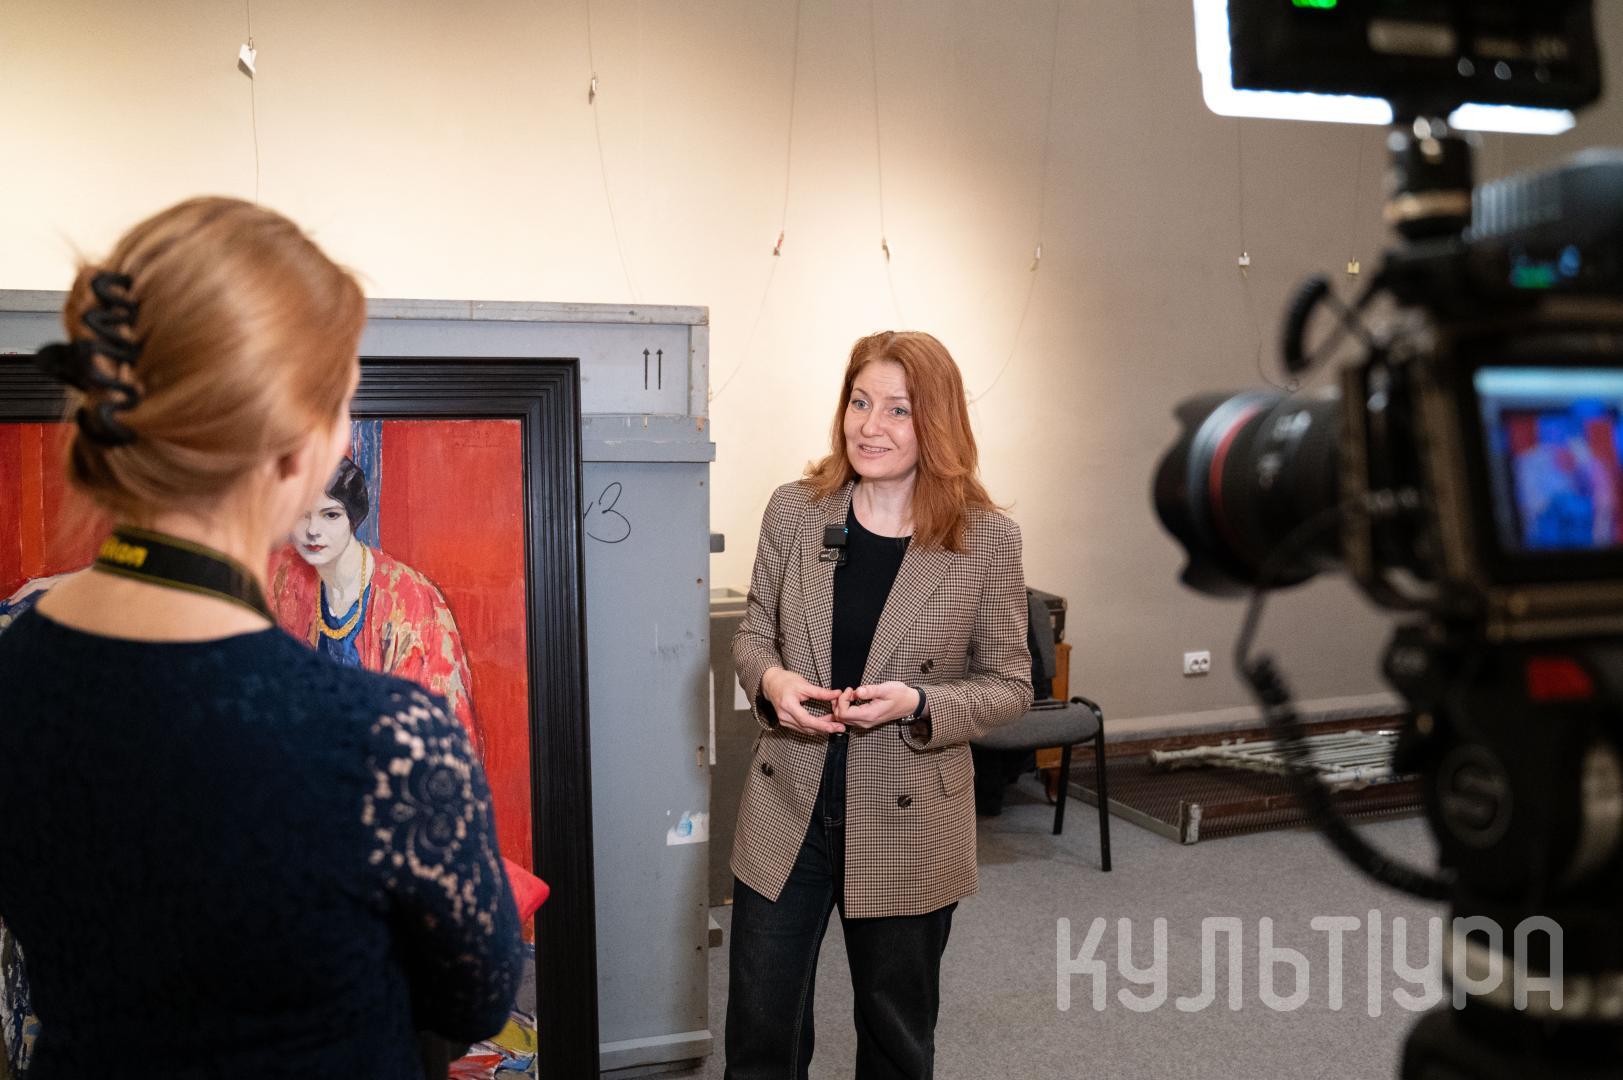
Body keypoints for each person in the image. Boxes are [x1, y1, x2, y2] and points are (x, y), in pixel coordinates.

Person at [0, 197, 522, 1079]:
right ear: (295, 453)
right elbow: (475, 998)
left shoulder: (13, 671)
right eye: (340, 404)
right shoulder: (383, 743)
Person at [727, 330, 1033, 1080]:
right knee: (760, 1034)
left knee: (896, 1040)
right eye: (859, 402)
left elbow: (1010, 684)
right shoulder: (795, 511)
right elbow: (754, 633)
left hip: (909, 811)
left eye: (898, 409)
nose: (870, 426)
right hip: (787, 803)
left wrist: (917, 701)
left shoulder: (986, 540)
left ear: (938, 422)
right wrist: (772, 684)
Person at [269, 456, 483, 753]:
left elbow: (431, 726)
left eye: (330, 515)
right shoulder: (283, 576)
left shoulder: (408, 599)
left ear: (353, 518)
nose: (312, 530)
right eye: (302, 514)